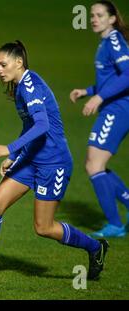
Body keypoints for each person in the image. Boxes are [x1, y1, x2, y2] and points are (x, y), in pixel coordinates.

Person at [0, 41, 108, 281]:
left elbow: (42, 126)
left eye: (3, 64)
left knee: (44, 228)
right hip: (31, 159)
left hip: (53, 164)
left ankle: (95, 247)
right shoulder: (19, 86)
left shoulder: (30, 86)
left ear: (19, 62)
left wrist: (9, 148)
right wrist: (15, 157)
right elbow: (29, 126)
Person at [70, 1, 129, 238]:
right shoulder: (106, 42)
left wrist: (99, 97)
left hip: (117, 109)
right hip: (113, 106)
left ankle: (115, 225)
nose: (94, 19)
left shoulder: (114, 40)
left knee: (94, 165)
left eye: (100, 15)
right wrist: (89, 91)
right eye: (92, 15)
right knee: (95, 164)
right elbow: (113, 78)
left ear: (112, 18)